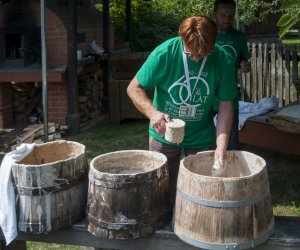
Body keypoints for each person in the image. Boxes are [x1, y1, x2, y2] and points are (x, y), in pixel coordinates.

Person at [127, 15, 237, 206]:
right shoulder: (164, 54)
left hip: (201, 135)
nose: (195, 57)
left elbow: (226, 107)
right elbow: (133, 88)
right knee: (161, 190)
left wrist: (221, 147)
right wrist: (153, 113)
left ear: (213, 44)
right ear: (182, 39)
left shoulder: (223, 60)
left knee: (203, 191)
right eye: (190, 53)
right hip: (164, 134)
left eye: (202, 54)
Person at [214, 0, 251, 150]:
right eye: (223, 15)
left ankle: (232, 171)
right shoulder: (207, 35)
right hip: (206, 96)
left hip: (230, 96)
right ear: (214, 14)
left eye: (231, 16)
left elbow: (244, 60)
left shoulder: (240, 37)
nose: (227, 20)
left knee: (231, 141)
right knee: (205, 141)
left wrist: (244, 66)